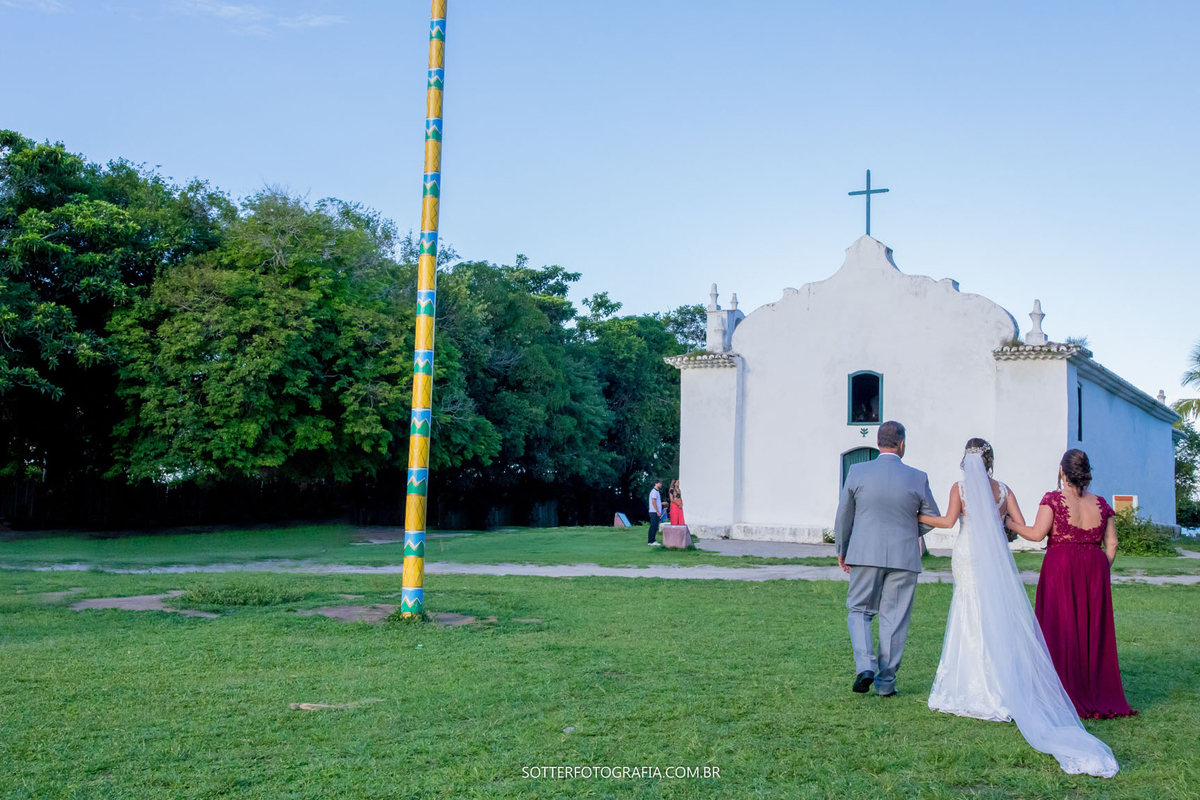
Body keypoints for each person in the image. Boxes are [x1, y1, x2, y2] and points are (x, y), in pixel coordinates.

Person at [919, 440, 1119, 778]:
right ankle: (1006, 683)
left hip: (973, 554)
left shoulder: (962, 488)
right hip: (1007, 558)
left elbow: (953, 521)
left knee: (970, 612)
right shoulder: (1006, 490)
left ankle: (974, 682)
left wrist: (918, 515)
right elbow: (1028, 526)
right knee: (1003, 614)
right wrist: (1003, 523)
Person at [1007, 449, 1137, 720]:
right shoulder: (1101, 503)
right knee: (1092, 629)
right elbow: (1112, 544)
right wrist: (1099, 568)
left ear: (1062, 471)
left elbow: (1037, 534)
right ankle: (1094, 689)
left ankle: (1061, 690)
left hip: (1062, 567)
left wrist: (1009, 523)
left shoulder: (1053, 499)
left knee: (1061, 626)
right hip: (1094, 567)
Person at [834, 421, 939, 699]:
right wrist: (908, 530)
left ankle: (865, 665)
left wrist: (842, 549)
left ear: (878, 442)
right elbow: (932, 517)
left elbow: (844, 514)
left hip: (864, 553)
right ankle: (885, 683)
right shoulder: (918, 477)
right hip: (904, 556)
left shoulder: (857, 471)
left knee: (859, 610)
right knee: (894, 618)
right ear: (901, 444)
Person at [647, 479, 663, 546]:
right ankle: (651, 541)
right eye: (660, 483)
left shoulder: (657, 492)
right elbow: (653, 502)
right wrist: (657, 511)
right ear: (656, 483)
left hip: (655, 511)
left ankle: (652, 540)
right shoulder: (654, 492)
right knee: (653, 526)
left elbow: (657, 502)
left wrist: (662, 504)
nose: (661, 484)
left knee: (655, 526)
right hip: (654, 512)